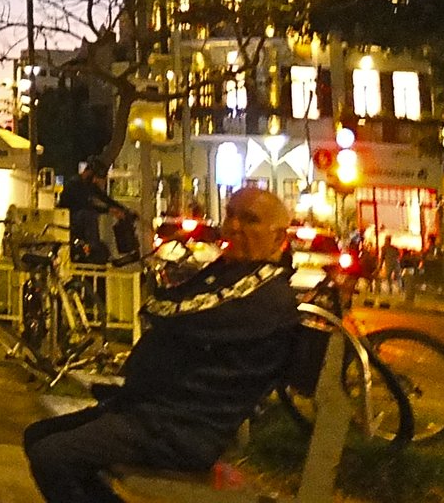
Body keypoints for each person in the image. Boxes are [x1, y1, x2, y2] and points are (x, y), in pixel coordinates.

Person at [21, 186, 299, 503]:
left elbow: (169, 311)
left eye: (250, 220)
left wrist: (162, 300)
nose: (234, 226)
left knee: (53, 455)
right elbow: (167, 306)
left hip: (182, 428)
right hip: (155, 411)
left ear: (278, 237)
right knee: (39, 436)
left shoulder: (264, 292)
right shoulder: (231, 273)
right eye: (231, 215)